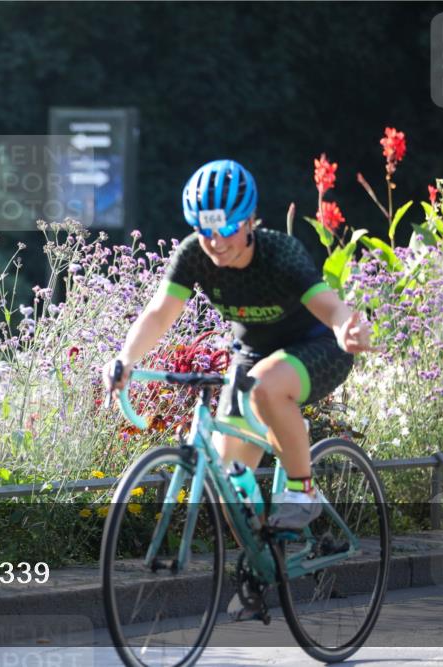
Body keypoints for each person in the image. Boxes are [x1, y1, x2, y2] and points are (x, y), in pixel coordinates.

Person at [102, 159, 373, 532]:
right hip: (253, 356)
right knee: (228, 482)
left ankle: (303, 491)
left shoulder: (280, 253)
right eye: (204, 230)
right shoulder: (195, 255)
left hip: (319, 346)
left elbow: (328, 305)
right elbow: (160, 314)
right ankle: (265, 555)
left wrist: (345, 327)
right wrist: (125, 358)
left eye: (228, 228)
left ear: (250, 221)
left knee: (264, 385)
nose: (216, 242)